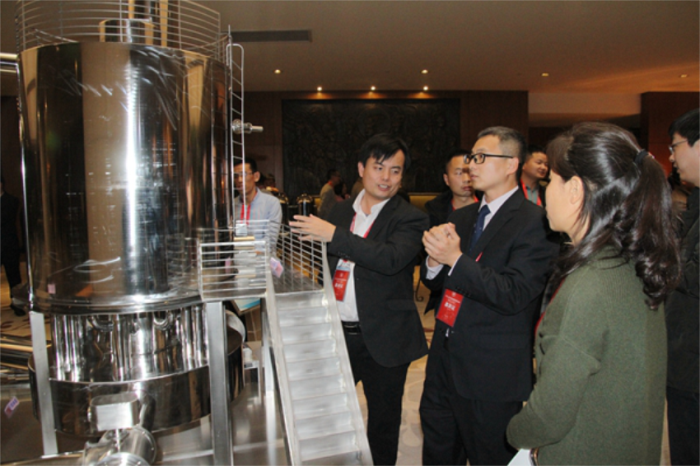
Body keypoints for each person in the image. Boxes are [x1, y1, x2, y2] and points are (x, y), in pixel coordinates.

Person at [506, 122, 680, 466]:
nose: (546, 192)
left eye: (551, 180)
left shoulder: (590, 285)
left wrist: (515, 432)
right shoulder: (629, 263)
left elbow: (549, 415)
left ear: (574, 189)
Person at [419, 126, 557, 466]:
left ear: (511, 164)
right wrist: (434, 262)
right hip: (443, 360)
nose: (471, 165)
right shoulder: (463, 216)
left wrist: (455, 259)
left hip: (490, 370)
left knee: (490, 455)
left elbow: (513, 294)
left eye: (481, 157)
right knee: (438, 451)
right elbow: (438, 282)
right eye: (471, 157)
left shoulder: (535, 222)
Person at [290, 134, 429, 466]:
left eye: (395, 171)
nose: (386, 178)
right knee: (325, 413)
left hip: (385, 336)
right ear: (361, 169)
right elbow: (323, 263)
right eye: (378, 168)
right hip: (336, 334)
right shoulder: (338, 211)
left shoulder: (411, 217)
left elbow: (390, 259)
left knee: (383, 422)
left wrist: (334, 236)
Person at [665, 107, 700, 466]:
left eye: (675, 146)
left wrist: (658, 260)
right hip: (684, 363)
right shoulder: (695, 198)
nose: (672, 158)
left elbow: (693, 275)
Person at [422, 148, 477, 314]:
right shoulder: (435, 212)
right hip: (446, 293)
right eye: (459, 173)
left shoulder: (489, 210)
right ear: (446, 179)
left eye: (470, 172)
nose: (466, 179)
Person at [233, 158, 283, 249]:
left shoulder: (271, 203)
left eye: (243, 174)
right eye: (235, 176)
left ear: (256, 176)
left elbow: (270, 242)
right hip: (238, 257)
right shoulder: (231, 205)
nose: (239, 180)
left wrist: (246, 250)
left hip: (263, 257)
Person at [0, 176, 22, 316]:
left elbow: (6, 219)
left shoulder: (12, 200)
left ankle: (17, 303)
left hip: (9, 244)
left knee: (13, 275)